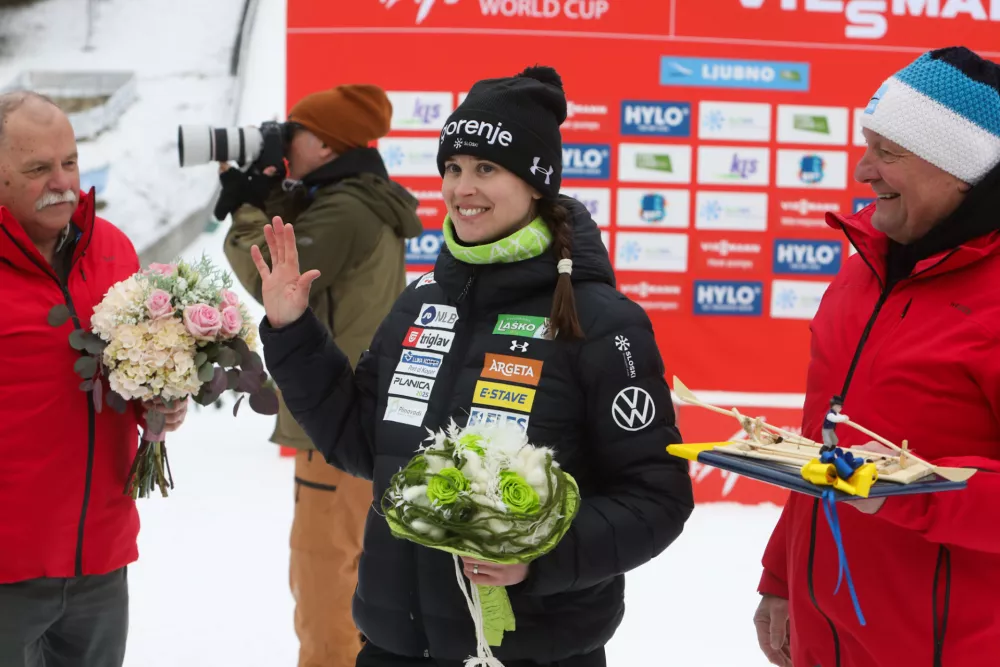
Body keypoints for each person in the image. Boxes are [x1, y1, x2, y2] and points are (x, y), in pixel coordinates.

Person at [251, 65, 695, 666]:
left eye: (487, 168)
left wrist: (536, 557)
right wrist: (293, 332)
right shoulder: (424, 300)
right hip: (396, 645)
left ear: (536, 182)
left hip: (531, 652)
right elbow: (361, 441)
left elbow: (656, 498)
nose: (463, 188)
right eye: (453, 168)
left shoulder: (601, 321)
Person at [754, 46, 1000, 667]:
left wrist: (910, 489)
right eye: (869, 145)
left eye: (889, 153)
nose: (864, 170)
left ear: (962, 171)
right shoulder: (865, 265)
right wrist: (781, 579)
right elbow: (821, 449)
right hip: (824, 636)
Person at [220, 84, 423, 667]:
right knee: (353, 566)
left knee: (325, 574)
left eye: (296, 132)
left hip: (336, 425)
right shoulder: (357, 198)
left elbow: (274, 277)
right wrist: (269, 192)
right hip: (356, 417)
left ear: (328, 147)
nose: (286, 140)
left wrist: (246, 206)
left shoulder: (347, 208)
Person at [0, 91, 188, 666]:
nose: (63, 183)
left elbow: (128, 371)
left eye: (70, 163)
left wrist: (158, 400)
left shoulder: (111, 249)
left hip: (100, 558)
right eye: (37, 169)